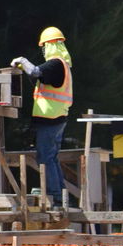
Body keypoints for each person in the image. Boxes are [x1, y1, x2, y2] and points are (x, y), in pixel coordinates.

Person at [10, 26, 73, 209]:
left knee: (45, 157)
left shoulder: (56, 63)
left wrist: (22, 60)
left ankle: (54, 195)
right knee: (51, 157)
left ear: (51, 45)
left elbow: (36, 72)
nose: (44, 51)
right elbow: (41, 76)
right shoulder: (63, 65)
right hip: (57, 117)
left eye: (44, 47)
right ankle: (60, 195)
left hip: (51, 119)